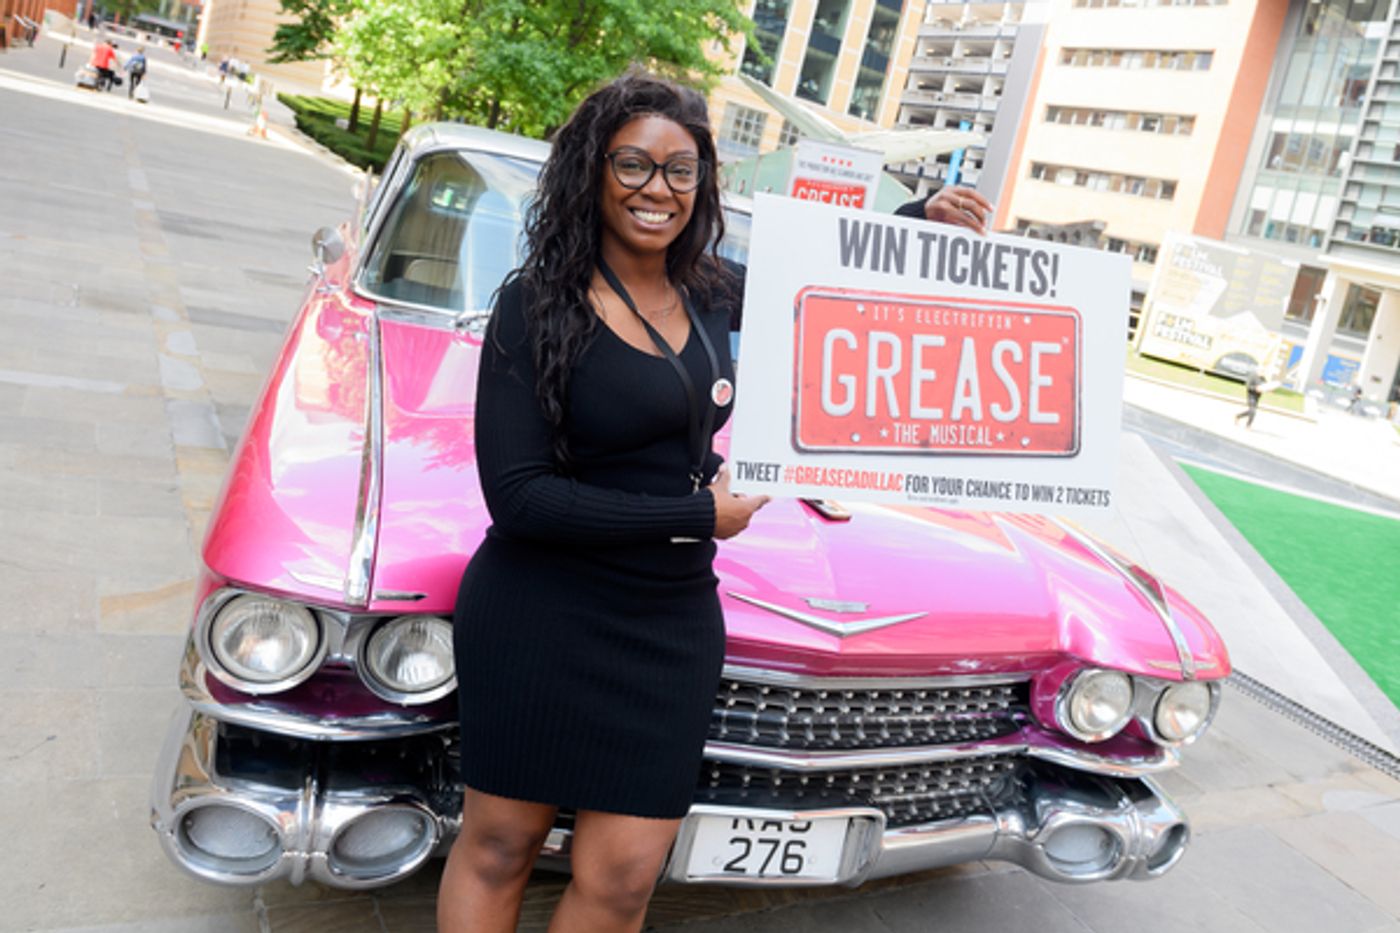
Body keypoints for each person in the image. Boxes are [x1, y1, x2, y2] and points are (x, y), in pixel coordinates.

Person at [438, 72, 769, 933]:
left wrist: (922, 222)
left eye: (680, 170)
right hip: (539, 611)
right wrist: (701, 516)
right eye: (633, 164)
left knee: (623, 880)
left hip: (668, 622)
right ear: (592, 170)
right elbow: (518, 499)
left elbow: (846, 302)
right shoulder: (534, 304)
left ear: (702, 186)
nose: (657, 189)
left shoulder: (719, 294)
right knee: (500, 847)